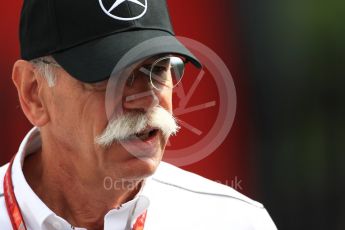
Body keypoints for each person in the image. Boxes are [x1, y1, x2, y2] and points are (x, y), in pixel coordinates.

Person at [0, 0, 277, 229]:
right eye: (108, 76)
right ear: (33, 92)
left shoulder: (234, 221)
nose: (145, 99)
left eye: (157, 69)